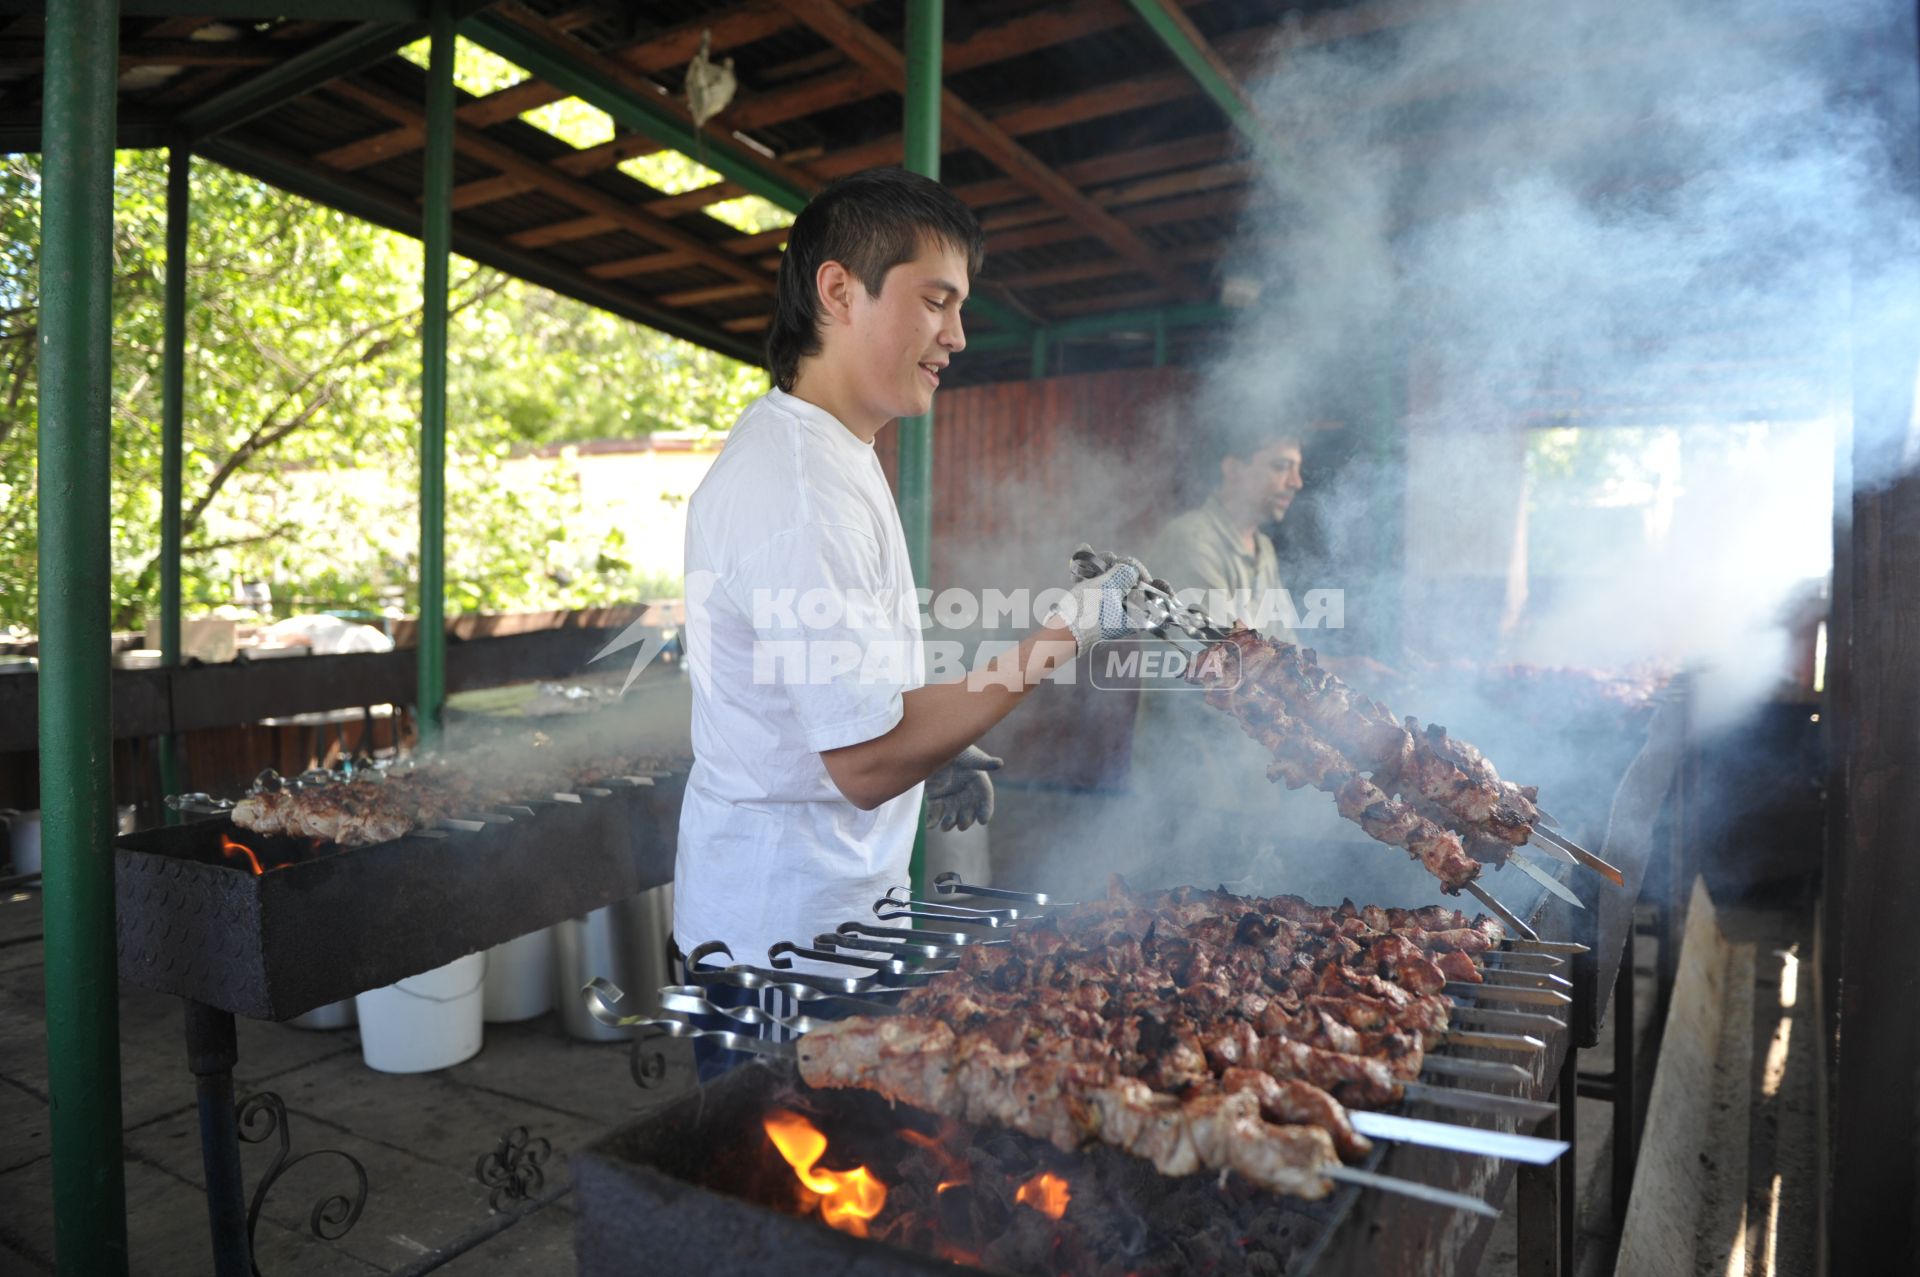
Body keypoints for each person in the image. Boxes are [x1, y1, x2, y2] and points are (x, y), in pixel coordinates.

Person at [674, 169, 1150, 1075]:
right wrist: (1065, 631)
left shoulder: (833, 452)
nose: (957, 336)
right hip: (787, 956)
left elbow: (847, 707)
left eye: (960, 307)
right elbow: (861, 760)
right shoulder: (799, 487)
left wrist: (935, 751)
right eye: (937, 302)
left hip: (835, 924)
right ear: (839, 290)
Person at [1124, 422, 1308, 889]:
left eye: (1297, 468)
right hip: (1195, 786)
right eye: (1280, 466)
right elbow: (1229, 662)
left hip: (1248, 786)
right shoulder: (1191, 540)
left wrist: (1350, 676)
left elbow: (1290, 655)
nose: (1295, 482)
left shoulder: (1263, 548)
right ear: (1233, 468)